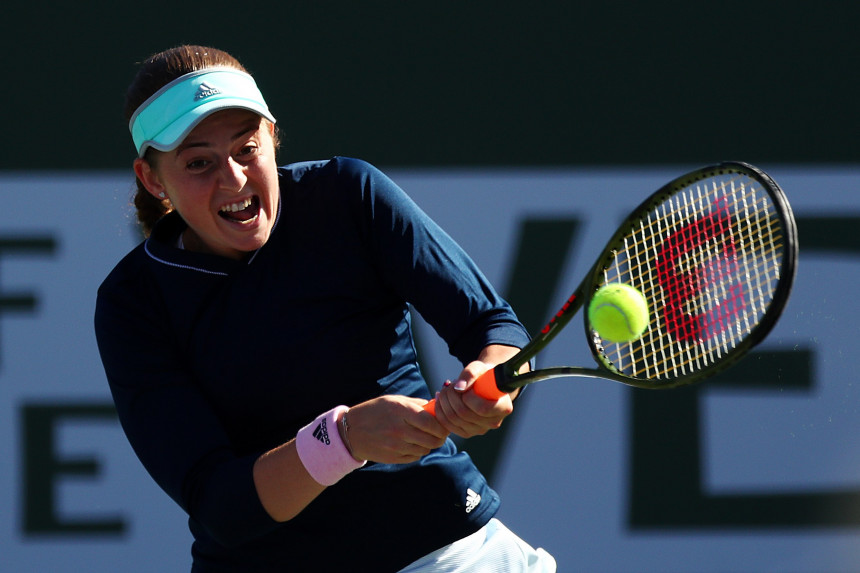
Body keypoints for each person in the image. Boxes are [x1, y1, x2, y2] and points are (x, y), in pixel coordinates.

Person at [94, 45, 556, 572]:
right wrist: (343, 439)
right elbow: (221, 505)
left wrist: (491, 379)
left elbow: (492, 325)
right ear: (153, 179)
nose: (235, 178)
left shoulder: (348, 195)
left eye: (247, 149)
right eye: (199, 163)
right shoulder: (133, 303)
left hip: (445, 548)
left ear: (273, 137)